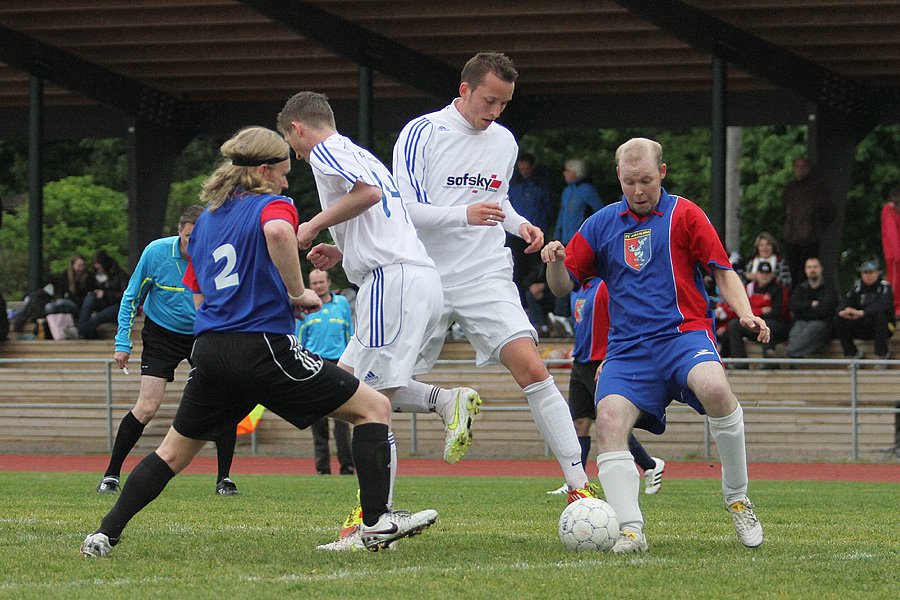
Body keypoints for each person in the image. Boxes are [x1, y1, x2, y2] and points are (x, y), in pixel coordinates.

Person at [80, 126, 437, 558]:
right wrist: (297, 293)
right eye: (284, 173)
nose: (288, 183)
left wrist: (256, 301)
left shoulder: (208, 219)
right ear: (264, 170)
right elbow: (279, 235)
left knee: (172, 452)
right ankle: (378, 522)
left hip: (211, 348)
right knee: (374, 408)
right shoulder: (273, 205)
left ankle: (104, 534)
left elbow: (199, 292)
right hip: (262, 347)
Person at [392, 51, 597, 503]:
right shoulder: (421, 133)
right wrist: (463, 214)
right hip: (422, 273)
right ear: (464, 90)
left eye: (503, 104)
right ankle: (379, 506)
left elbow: (497, 201)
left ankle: (579, 487)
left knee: (533, 368)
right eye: (489, 100)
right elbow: (403, 210)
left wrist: (518, 223)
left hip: (485, 272)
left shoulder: (504, 141)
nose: (495, 112)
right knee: (378, 388)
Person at [277, 92, 474, 550]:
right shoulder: (359, 153)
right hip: (403, 278)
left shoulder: (327, 150)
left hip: (394, 281)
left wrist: (310, 227)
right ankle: (441, 406)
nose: (296, 156)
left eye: (293, 145)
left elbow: (369, 195)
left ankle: (376, 522)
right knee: (342, 387)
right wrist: (344, 251)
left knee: (370, 402)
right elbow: (387, 215)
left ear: (297, 130)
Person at [554, 137, 766, 553]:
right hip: (629, 349)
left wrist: (744, 312)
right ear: (619, 177)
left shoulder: (686, 214)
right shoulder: (599, 224)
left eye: (647, 181)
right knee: (610, 419)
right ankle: (631, 529)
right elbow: (562, 285)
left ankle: (737, 496)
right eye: (630, 181)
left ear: (662, 174)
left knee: (716, 388)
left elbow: (722, 271)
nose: (638, 190)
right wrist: (556, 261)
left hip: (683, 337)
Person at [96, 206, 240, 497]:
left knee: (224, 401)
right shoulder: (156, 253)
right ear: (179, 233)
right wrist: (122, 343)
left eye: (201, 236)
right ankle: (111, 474)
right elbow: (131, 296)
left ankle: (224, 479)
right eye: (189, 237)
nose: (195, 243)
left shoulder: (220, 253)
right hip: (161, 333)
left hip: (203, 333)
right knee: (147, 407)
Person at [542, 243, 665, 495]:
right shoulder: (578, 290)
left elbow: (622, 323)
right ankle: (577, 481)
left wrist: (609, 358)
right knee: (579, 424)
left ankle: (650, 464)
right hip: (581, 361)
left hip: (602, 361)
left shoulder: (606, 286)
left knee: (611, 424)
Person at [297, 268, 354, 476]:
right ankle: (322, 470)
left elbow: (350, 334)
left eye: (321, 282)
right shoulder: (305, 306)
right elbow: (299, 338)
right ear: (310, 285)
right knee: (317, 421)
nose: (318, 286)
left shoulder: (342, 305)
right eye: (314, 283)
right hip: (314, 364)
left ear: (329, 282)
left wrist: (352, 364)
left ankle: (347, 467)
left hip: (339, 364)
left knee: (343, 421)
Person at [552, 159, 605, 319]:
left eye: (567, 170)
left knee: (574, 277)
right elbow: (562, 215)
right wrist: (557, 236)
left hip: (580, 240)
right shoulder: (567, 191)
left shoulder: (586, 189)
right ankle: (561, 316)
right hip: (565, 240)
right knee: (560, 274)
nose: (564, 173)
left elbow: (600, 211)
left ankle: (573, 316)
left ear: (575, 172)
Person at [507, 152, 554, 307]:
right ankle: (519, 305)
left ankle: (532, 304)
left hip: (535, 233)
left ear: (532, 167)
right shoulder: (513, 183)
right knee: (516, 270)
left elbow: (548, 209)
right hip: (515, 234)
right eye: (521, 169)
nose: (524, 172)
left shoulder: (541, 183)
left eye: (527, 169)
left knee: (535, 270)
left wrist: (544, 229)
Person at [724, 261, 790, 366]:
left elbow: (777, 313)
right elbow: (741, 309)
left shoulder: (779, 289)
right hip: (755, 322)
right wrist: (761, 311)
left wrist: (756, 314)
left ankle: (769, 363)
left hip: (776, 325)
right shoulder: (749, 288)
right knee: (733, 325)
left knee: (767, 326)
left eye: (767, 273)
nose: (764, 276)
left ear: (772, 275)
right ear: (756, 274)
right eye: (761, 273)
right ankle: (740, 363)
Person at [782, 157, 834, 287]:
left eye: (803, 166)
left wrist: (816, 227)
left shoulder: (817, 187)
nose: (800, 169)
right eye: (797, 166)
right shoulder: (790, 188)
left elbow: (829, 211)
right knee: (793, 272)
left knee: (809, 271)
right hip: (792, 237)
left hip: (810, 238)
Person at [834, 260, 895, 364]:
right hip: (862, 326)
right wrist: (844, 311)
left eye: (871, 272)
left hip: (884, 327)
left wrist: (862, 312)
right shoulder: (857, 289)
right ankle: (852, 354)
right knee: (839, 318)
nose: (868, 276)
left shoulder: (884, 287)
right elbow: (845, 303)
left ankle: (881, 355)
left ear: (877, 273)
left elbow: (884, 305)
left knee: (880, 316)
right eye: (865, 273)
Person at [785, 257, 838, 360]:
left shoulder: (829, 288)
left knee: (811, 329)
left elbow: (825, 310)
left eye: (815, 267)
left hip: (822, 325)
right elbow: (794, 306)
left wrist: (804, 310)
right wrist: (810, 304)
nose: (812, 270)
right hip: (801, 322)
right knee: (795, 332)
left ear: (821, 269)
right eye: (809, 267)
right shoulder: (801, 288)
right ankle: (793, 365)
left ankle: (786, 352)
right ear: (805, 270)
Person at [78, 250, 128, 339]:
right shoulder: (97, 275)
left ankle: (83, 329)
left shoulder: (120, 275)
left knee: (100, 317)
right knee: (90, 298)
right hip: (105, 303)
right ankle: (84, 327)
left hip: (118, 306)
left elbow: (124, 294)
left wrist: (105, 294)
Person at [47, 253, 93, 317]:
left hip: (78, 306)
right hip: (66, 302)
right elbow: (60, 291)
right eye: (79, 265)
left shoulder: (88, 277)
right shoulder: (66, 275)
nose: (82, 268)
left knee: (61, 303)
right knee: (49, 307)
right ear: (73, 265)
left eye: (83, 265)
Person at [880, 188, 900, 317]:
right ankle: (894, 306)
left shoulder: (893, 211)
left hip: (896, 253)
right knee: (894, 281)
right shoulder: (889, 211)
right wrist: (897, 254)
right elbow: (891, 234)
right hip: (894, 254)